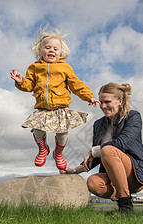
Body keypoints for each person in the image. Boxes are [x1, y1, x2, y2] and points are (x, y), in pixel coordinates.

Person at [10, 26, 99, 171]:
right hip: (42, 109)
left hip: (60, 108)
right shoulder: (34, 68)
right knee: (38, 130)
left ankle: (58, 153)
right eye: (47, 47)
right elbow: (29, 85)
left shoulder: (64, 68)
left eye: (55, 49)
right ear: (40, 51)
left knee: (62, 134)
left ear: (61, 53)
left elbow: (76, 84)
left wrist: (89, 96)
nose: (51, 50)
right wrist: (20, 81)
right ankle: (43, 149)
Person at [61, 82, 143, 213]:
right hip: (112, 174)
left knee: (108, 150)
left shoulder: (132, 117)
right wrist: (75, 170)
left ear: (120, 101)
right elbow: (97, 156)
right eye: (101, 102)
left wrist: (95, 150)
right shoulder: (98, 125)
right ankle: (123, 197)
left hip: (134, 173)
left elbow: (123, 142)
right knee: (92, 182)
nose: (103, 106)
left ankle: (126, 207)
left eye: (107, 102)